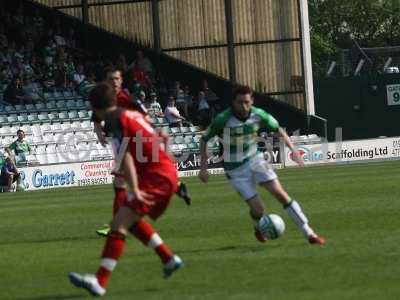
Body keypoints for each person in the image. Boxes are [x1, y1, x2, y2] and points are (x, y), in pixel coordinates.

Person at [68, 83, 183, 297]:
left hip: (155, 177)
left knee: (118, 224)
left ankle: (99, 282)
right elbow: (161, 137)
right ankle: (168, 258)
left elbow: (126, 156)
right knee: (129, 220)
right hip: (163, 172)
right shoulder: (130, 114)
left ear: (95, 108)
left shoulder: (114, 120)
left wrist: (135, 188)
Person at [198, 86, 325, 245]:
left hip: (256, 160)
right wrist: (203, 168)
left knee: (281, 194)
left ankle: (309, 233)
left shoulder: (259, 114)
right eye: (239, 102)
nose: (243, 106)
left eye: (246, 102)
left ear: (252, 101)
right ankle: (258, 227)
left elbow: (278, 130)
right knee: (259, 209)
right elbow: (204, 139)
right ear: (233, 102)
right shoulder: (223, 119)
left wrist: (294, 150)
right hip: (236, 170)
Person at [94, 69, 190, 237]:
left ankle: (116, 224)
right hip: (123, 142)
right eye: (111, 79)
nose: (114, 82)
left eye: (117, 78)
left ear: (121, 80)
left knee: (120, 182)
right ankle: (176, 186)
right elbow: (96, 118)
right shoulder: (105, 99)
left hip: (136, 142)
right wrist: (100, 134)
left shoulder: (128, 98)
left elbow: (146, 118)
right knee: (132, 179)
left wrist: (155, 133)